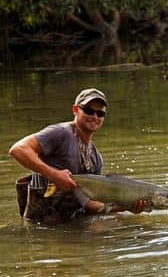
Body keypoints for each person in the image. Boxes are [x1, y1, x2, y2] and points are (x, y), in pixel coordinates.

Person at [9, 88, 147, 223]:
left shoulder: (96, 158)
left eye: (100, 113)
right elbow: (18, 149)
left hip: (73, 223)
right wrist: (54, 175)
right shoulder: (60, 133)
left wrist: (125, 207)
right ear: (75, 110)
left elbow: (90, 205)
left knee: (112, 227)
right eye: (88, 110)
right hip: (40, 226)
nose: (94, 117)